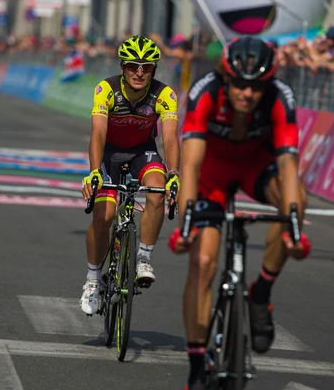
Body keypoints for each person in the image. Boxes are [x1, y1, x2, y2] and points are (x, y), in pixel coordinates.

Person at [167, 36, 311, 389]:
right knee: (202, 263)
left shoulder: (280, 97)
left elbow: (289, 166)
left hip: (255, 168)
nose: (247, 94)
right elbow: (191, 166)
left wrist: (294, 229)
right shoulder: (204, 92)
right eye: (240, 85)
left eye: (256, 86)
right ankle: (197, 362)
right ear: (225, 77)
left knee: (297, 201)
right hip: (212, 173)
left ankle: (261, 291)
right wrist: (186, 225)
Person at [79, 35, 180, 315]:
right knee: (105, 216)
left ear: (154, 70)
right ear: (122, 67)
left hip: (142, 152)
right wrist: (94, 172)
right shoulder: (106, 89)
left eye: (146, 67)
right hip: (110, 154)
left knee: (158, 191)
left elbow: (170, 139)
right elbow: (98, 133)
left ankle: (143, 259)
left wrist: (173, 173)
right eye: (133, 65)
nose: (139, 72)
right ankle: (92, 281)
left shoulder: (165, 94)